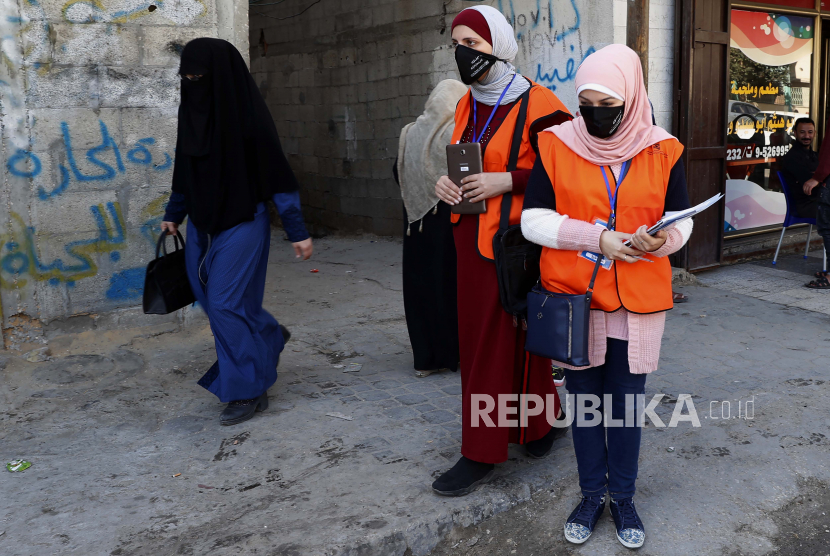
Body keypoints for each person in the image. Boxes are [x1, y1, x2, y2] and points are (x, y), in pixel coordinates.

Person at [521, 44, 693, 549]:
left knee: (624, 407)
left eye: (607, 103)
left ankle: (623, 497)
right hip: (576, 298)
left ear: (632, 97)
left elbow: (680, 218)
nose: (595, 114)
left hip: (637, 300)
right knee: (585, 405)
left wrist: (663, 240)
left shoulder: (664, 148)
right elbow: (534, 220)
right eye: (586, 103)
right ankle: (590, 494)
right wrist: (595, 238)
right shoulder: (554, 143)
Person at [432, 5, 569, 497]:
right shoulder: (469, 103)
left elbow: (567, 178)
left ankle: (480, 452)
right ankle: (541, 422)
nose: (463, 52)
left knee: (509, 334)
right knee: (486, 338)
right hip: (471, 239)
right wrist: (448, 184)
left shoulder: (542, 104)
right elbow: (468, 165)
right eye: (458, 43)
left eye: (473, 43)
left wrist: (506, 180)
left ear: (500, 47)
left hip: (516, 244)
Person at [160, 38, 313, 426]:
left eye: (200, 76)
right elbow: (185, 167)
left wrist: (297, 230)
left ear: (221, 77)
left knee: (226, 304)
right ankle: (268, 335)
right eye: (187, 76)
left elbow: (279, 177)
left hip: (244, 221)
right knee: (211, 301)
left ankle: (246, 390)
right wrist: (174, 213)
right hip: (201, 224)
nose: (193, 83)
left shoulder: (250, 119)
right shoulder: (191, 114)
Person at [395, 80, 468, 378]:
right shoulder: (456, 133)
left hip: (415, 226)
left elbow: (396, 172)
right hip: (446, 226)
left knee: (419, 292)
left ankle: (424, 360)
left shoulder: (409, 133)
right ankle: (450, 354)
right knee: (447, 289)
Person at [797, 118, 830, 289]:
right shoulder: (794, 156)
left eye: (810, 132)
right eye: (802, 132)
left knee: (828, 227)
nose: (806, 136)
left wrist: (818, 177)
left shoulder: (814, 155)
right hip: (805, 203)